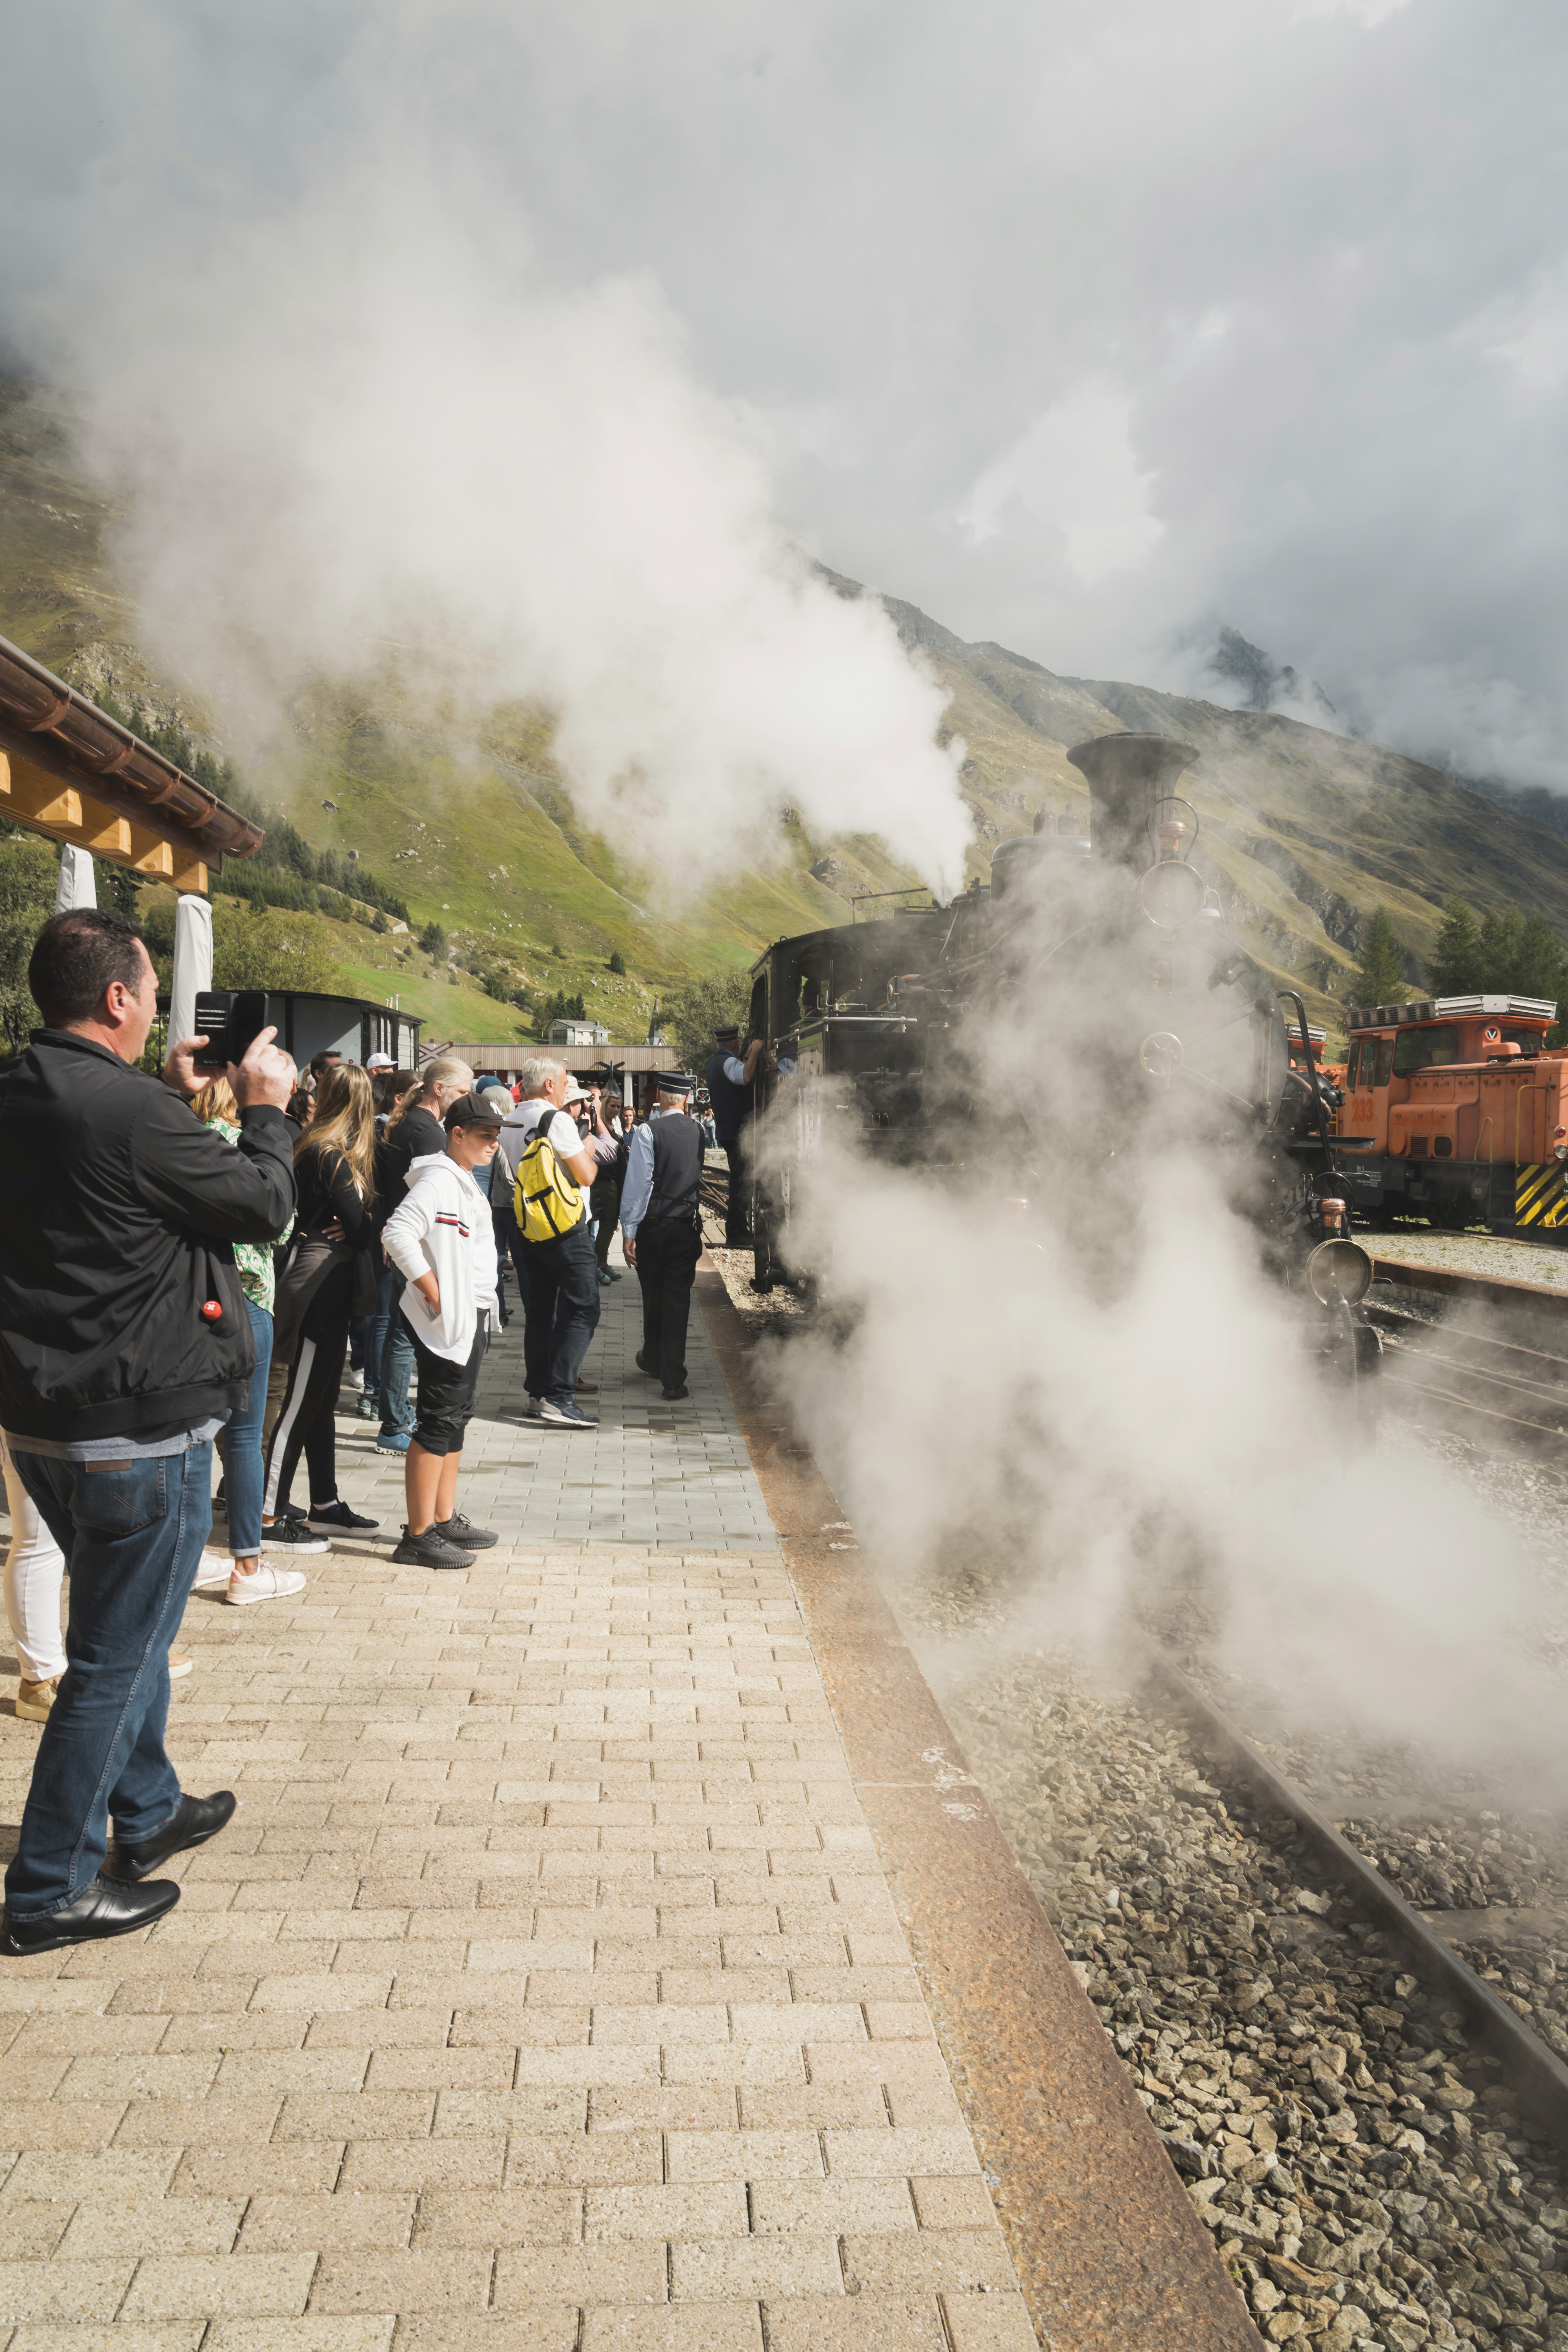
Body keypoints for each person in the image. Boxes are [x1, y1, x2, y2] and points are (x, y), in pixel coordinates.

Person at [0, 907, 295, 1954]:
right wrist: (266, 1110)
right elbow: (262, 1206)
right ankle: (49, 1888)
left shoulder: (22, 1089)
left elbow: (108, 1186)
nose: (163, 1011)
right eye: (154, 994)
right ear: (118, 997)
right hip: (140, 1429)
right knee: (114, 1660)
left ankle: (149, 1807)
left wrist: (166, 1094)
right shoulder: (131, 1112)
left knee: (126, 1630)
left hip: (44, 1422)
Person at [191, 1076, 305, 1606]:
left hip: (192, 1301)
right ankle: (246, 1565)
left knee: (191, 1437)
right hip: (249, 1296)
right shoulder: (249, 1144)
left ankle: (189, 1557)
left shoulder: (182, 1137)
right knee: (243, 1441)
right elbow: (277, 1227)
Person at [382, 1091, 505, 1566]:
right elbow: (396, 1232)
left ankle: (443, 1517)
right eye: (485, 1135)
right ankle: (417, 1535)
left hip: (468, 1315)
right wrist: (433, 1290)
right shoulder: (439, 1178)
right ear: (457, 1134)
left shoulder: (460, 1177)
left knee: (456, 1415)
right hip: (449, 1321)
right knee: (438, 1419)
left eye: (496, 1136)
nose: (494, 1143)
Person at [262, 1066, 381, 1546]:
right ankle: (267, 1516)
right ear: (362, 1104)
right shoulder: (329, 1154)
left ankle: (325, 1504)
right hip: (320, 1285)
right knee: (300, 1404)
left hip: (328, 1282)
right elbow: (362, 1229)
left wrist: (361, 1220)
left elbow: (361, 1222)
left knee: (321, 1401)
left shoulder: (317, 1147)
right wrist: (362, 1220)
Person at [371, 1055, 474, 1454]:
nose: (466, 1098)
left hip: (404, 1241)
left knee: (399, 1331)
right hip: (415, 1245)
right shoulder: (426, 1132)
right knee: (403, 1334)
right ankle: (395, 1422)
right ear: (439, 1089)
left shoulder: (412, 1124)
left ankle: (394, 1416)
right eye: (462, 1091)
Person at [498, 1058, 603, 1428]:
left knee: (541, 1313)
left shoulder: (510, 1120)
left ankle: (539, 1393)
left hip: (529, 1227)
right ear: (548, 1085)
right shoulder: (555, 1120)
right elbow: (586, 1176)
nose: (564, 1088)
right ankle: (560, 1395)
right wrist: (588, 1148)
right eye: (562, 1081)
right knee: (584, 1308)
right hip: (564, 1228)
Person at [621, 1072, 705, 1400]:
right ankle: (673, 1379)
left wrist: (629, 1231)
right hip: (685, 1226)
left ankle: (653, 1359)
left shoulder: (647, 1131)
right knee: (677, 1301)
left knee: (653, 1294)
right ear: (686, 1099)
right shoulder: (699, 1130)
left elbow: (639, 1183)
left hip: (653, 1227)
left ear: (660, 1097)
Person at [2, 1432, 68, 1719]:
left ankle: (126, 1657)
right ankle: (40, 1679)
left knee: (111, 1534)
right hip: (34, 1417)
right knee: (39, 1541)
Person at [704, 1024, 767, 1245]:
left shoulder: (715, 1063)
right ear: (736, 1044)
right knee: (741, 1182)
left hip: (728, 1130)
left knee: (740, 1180)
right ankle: (737, 1231)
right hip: (738, 1132)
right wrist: (757, 1050)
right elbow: (747, 1077)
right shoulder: (728, 1063)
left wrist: (749, 1057)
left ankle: (738, 1229)